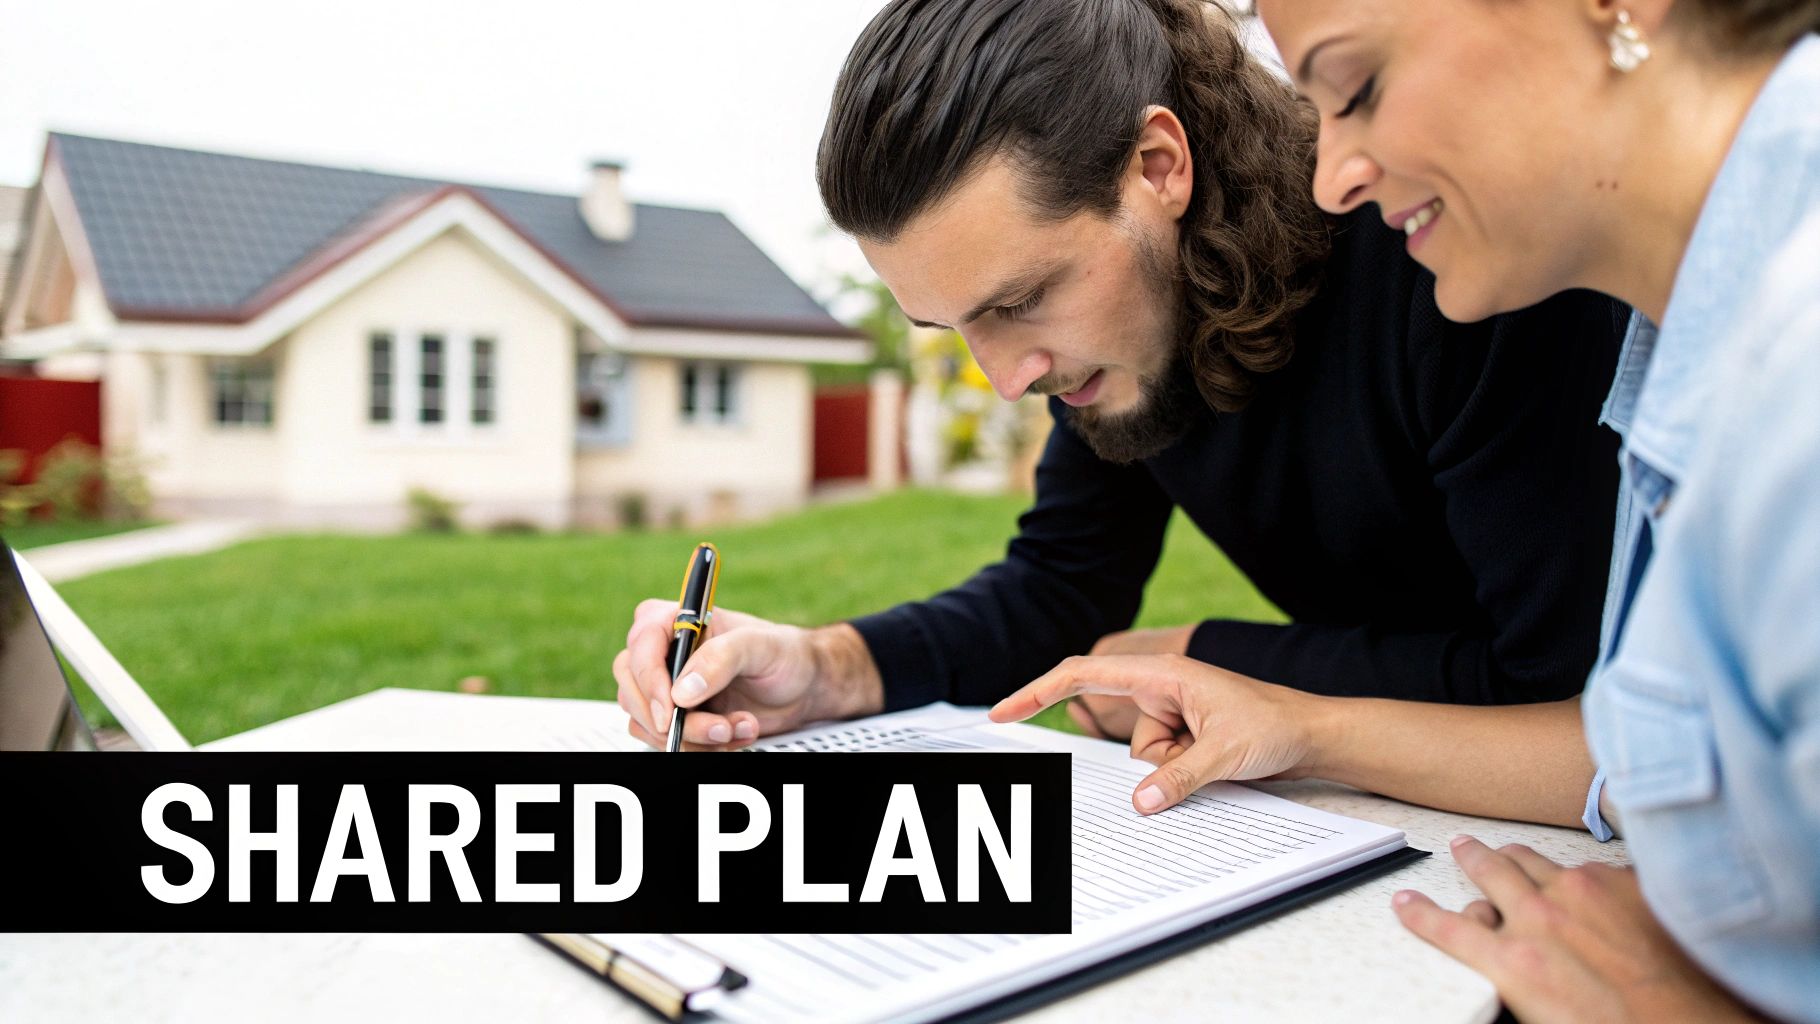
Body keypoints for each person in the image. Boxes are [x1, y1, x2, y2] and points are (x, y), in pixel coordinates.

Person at [990, 1, 1820, 1018]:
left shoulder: (1792, 376)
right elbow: (1657, 748)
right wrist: (1303, 725)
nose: (1333, 175)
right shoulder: (1683, 343)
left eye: (1359, 87)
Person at [614, 0, 1625, 746]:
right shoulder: (1119, 336)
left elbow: (1561, 678)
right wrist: (828, 667)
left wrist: (1202, 659)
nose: (1007, 377)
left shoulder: (1448, 252)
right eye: (952, 324)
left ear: (1157, 167)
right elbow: (1062, 586)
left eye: (1018, 301)